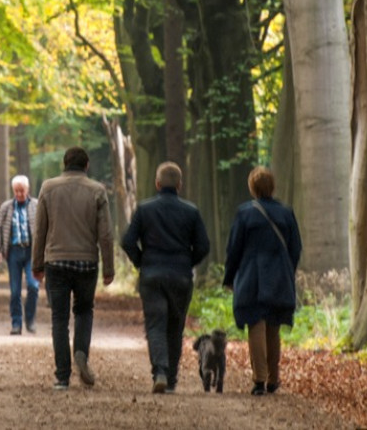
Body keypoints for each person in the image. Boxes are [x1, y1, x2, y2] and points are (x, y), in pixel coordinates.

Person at [121, 161, 210, 394]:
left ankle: (159, 371)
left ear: (157, 183)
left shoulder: (145, 209)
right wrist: (188, 262)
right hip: (180, 276)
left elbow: (127, 241)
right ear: (179, 185)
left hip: (152, 275)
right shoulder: (191, 211)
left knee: (156, 325)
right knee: (175, 326)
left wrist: (141, 261)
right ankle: (171, 379)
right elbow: (203, 245)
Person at [32, 147, 115, 390]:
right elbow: (106, 234)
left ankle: (62, 376)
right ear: (86, 165)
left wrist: (37, 264)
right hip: (87, 261)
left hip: (56, 261)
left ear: (64, 164)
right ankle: (81, 352)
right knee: (84, 310)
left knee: (59, 318)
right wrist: (109, 267)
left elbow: (40, 230)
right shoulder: (97, 190)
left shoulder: (48, 188)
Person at [222, 166, 302, 396]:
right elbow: (295, 248)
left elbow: (234, 249)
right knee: (273, 326)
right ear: (272, 186)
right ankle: (273, 378)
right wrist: (287, 270)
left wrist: (229, 278)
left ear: (252, 187)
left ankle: (258, 379)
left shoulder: (245, 213)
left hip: (252, 277)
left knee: (255, 324)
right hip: (278, 277)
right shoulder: (286, 213)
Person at [0, 174, 40, 335]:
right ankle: (16, 323)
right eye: (16, 191)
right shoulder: (6, 207)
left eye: (22, 190)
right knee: (15, 291)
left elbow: (44, 229)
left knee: (33, 286)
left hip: (31, 252)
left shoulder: (36, 205)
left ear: (28, 190)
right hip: (13, 252)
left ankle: (30, 319)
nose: (19, 194)